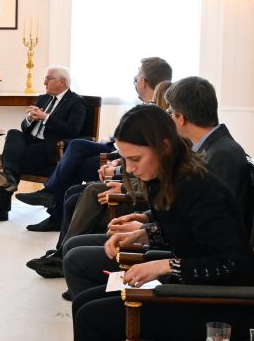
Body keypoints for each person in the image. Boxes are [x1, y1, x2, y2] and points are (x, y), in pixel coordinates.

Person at [61, 104, 254, 341]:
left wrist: (165, 265)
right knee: (85, 303)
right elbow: (186, 230)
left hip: (216, 306)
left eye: (135, 159)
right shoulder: (172, 175)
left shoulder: (197, 187)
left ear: (163, 146)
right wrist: (143, 235)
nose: (129, 168)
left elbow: (233, 264)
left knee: (94, 316)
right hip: (193, 289)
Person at [64, 76, 253, 300]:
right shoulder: (205, 153)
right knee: (83, 286)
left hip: (205, 288)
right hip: (188, 266)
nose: (131, 168)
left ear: (179, 117)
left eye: (170, 112)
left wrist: (160, 260)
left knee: (86, 291)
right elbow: (189, 223)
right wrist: (144, 232)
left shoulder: (218, 158)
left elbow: (220, 247)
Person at [16, 57, 172, 230]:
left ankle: (54, 207)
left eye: (135, 78)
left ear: (143, 82)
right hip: (114, 149)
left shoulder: (155, 113)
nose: (134, 82)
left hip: (118, 155)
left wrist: (116, 162)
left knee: (76, 156)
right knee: (75, 149)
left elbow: (142, 150)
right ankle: (55, 210)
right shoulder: (150, 107)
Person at [0, 66, 85, 223]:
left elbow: (73, 131)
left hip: (49, 147)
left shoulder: (76, 102)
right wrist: (30, 119)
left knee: (15, 159)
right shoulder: (43, 98)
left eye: (48, 78)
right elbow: (24, 129)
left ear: (63, 82)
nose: (44, 82)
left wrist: (46, 117)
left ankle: (0, 207)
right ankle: (9, 177)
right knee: (13, 133)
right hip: (31, 141)